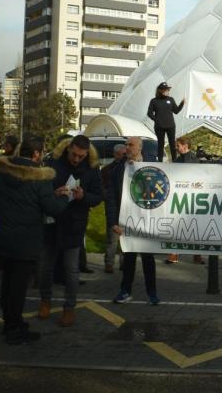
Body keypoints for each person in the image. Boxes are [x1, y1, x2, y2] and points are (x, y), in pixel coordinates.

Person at [0, 136, 68, 345]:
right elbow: (52, 209)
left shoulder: (3, 170)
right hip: (25, 239)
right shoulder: (39, 177)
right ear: (36, 154)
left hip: (4, 235)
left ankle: (9, 321)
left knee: (7, 282)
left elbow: (26, 198)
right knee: (18, 286)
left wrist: (48, 195)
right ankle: (13, 328)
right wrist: (63, 197)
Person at [40, 135, 102, 327]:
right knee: (45, 266)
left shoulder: (92, 168)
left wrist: (84, 195)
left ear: (87, 154)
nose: (76, 159)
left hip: (74, 223)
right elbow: (41, 190)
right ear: (68, 148)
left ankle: (69, 308)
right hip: (52, 220)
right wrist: (53, 193)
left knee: (71, 269)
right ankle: (45, 301)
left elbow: (99, 196)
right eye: (74, 155)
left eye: (81, 156)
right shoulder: (53, 163)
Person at [111, 137, 161, 306]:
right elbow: (110, 197)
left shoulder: (153, 164)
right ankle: (125, 291)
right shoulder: (119, 168)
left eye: (130, 145)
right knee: (128, 258)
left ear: (140, 147)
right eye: (126, 145)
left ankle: (152, 292)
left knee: (148, 258)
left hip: (146, 220)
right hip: (127, 220)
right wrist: (113, 222)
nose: (127, 148)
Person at [166, 137, 204, 265]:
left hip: (192, 197)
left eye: (178, 145)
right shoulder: (176, 160)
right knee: (176, 225)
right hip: (179, 197)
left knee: (195, 227)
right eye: (176, 145)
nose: (176, 147)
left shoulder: (195, 160)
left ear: (185, 145)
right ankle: (174, 253)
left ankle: (197, 255)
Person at [101, 143, 127, 274]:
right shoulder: (107, 170)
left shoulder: (128, 168)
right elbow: (103, 189)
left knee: (125, 238)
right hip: (113, 207)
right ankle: (109, 263)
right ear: (116, 154)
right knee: (112, 239)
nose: (125, 156)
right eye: (123, 154)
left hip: (125, 208)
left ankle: (124, 263)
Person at [147, 81, 185, 162]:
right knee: (160, 144)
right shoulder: (154, 101)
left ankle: (174, 161)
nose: (168, 91)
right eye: (166, 90)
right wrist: (156, 120)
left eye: (168, 90)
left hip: (170, 126)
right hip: (159, 127)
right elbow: (149, 113)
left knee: (172, 144)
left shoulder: (170, 99)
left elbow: (176, 111)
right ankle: (160, 161)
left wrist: (182, 104)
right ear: (161, 90)